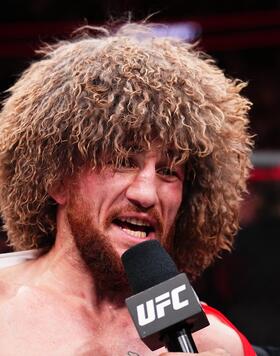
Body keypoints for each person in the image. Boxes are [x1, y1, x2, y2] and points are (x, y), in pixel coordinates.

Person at [0, 22, 255, 355]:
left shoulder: (212, 341)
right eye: (122, 161)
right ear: (57, 180)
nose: (147, 194)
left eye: (168, 171)